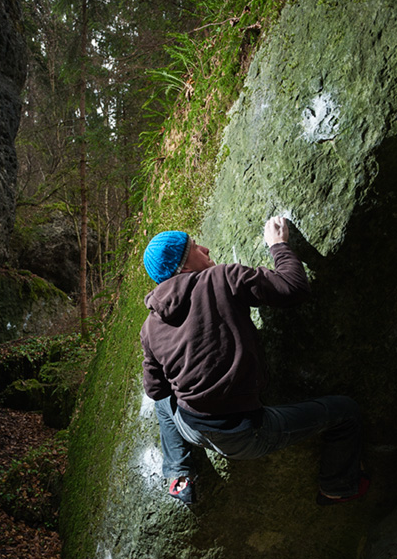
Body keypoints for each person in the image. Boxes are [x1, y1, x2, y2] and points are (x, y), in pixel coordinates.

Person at [140, 216, 369, 507]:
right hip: (242, 434)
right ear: (183, 267)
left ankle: (178, 473)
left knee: (162, 402)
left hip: (190, 427)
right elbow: (292, 288)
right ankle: (338, 486)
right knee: (346, 412)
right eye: (197, 248)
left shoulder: (149, 326)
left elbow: (156, 390)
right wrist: (278, 246)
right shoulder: (221, 277)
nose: (207, 249)